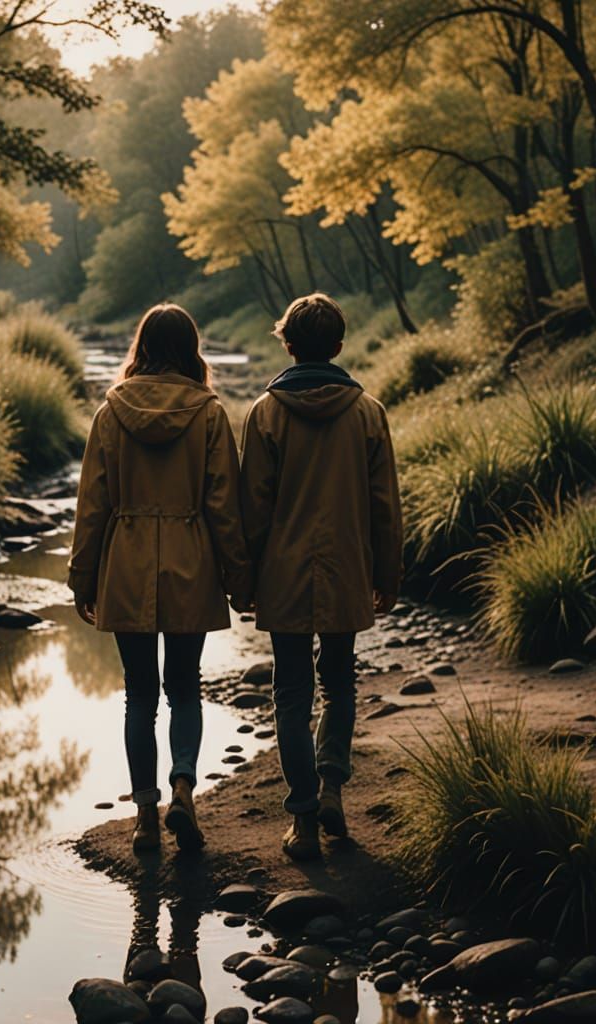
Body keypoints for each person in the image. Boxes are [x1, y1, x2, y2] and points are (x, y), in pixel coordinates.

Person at [68, 303, 252, 854]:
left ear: (141, 346)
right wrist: (239, 577)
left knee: (139, 696)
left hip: (125, 563)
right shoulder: (209, 414)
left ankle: (146, 816)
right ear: (191, 349)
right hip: (190, 560)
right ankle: (184, 788)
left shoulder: (110, 413)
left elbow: (92, 504)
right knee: (185, 687)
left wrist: (82, 577)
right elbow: (224, 506)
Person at [239, 292, 403, 861]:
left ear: (287, 344)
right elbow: (385, 506)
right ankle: (332, 784)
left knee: (290, 692)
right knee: (339, 682)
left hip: (283, 573)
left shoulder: (265, 413)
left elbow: (252, 510)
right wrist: (388, 574)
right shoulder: (368, 413)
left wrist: (244, 581)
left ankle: (304, 818)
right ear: (338, 345)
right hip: (347, 567)